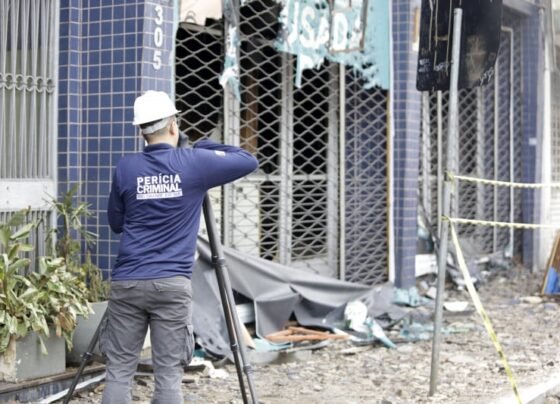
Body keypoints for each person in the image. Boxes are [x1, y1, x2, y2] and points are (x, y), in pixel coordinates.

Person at [102, 90, 258, 404]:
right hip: (172, 285)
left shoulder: (126, 168)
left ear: (141, 131)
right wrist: (204, 146)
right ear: (174, 125)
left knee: (119, 371)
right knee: (168, 376)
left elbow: (116, 224)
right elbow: (248, 160)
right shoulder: (195, 162)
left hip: (128, 281)